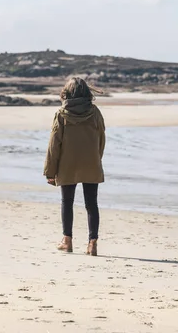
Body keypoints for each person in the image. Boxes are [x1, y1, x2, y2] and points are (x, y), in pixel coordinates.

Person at [43, 77, 106, 256]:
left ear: (67, 92)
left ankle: (67, 241)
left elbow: (54, 144)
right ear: (86, 92)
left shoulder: (61, 114)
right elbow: (101, 138)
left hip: (67, 164)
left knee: (67, 202)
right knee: (91, 203)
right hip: (90, 162)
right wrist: (96, 158)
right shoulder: (95, 113)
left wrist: (50, 171)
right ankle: (92, 243)